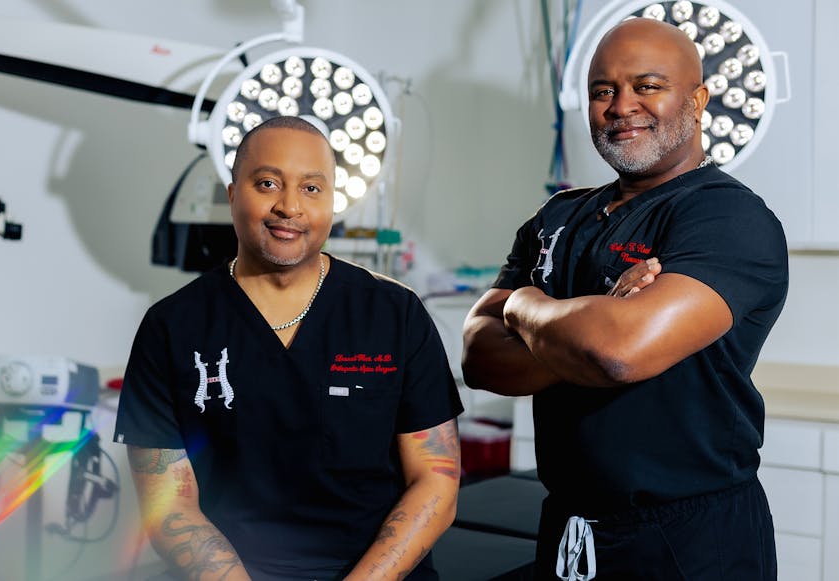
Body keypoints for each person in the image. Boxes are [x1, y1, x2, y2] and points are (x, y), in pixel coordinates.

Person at [462, 17, 787, 581]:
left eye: (648, 86)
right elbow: (480, 357)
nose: (620, 105)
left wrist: (524, 308)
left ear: (698, 99)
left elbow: (617, 352)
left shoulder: (725, 216)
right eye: (603, 90)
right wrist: (587, 325)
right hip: (567, 525)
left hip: (688, 539)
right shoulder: (558, 215)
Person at [113, 115, 463, 581]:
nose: (289, 206)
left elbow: (436, 479)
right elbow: (170, 506)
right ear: (234, 192)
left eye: (312, 189)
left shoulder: (393, 314)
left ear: (333, 201)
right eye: (267, 183)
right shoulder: (171, 327)